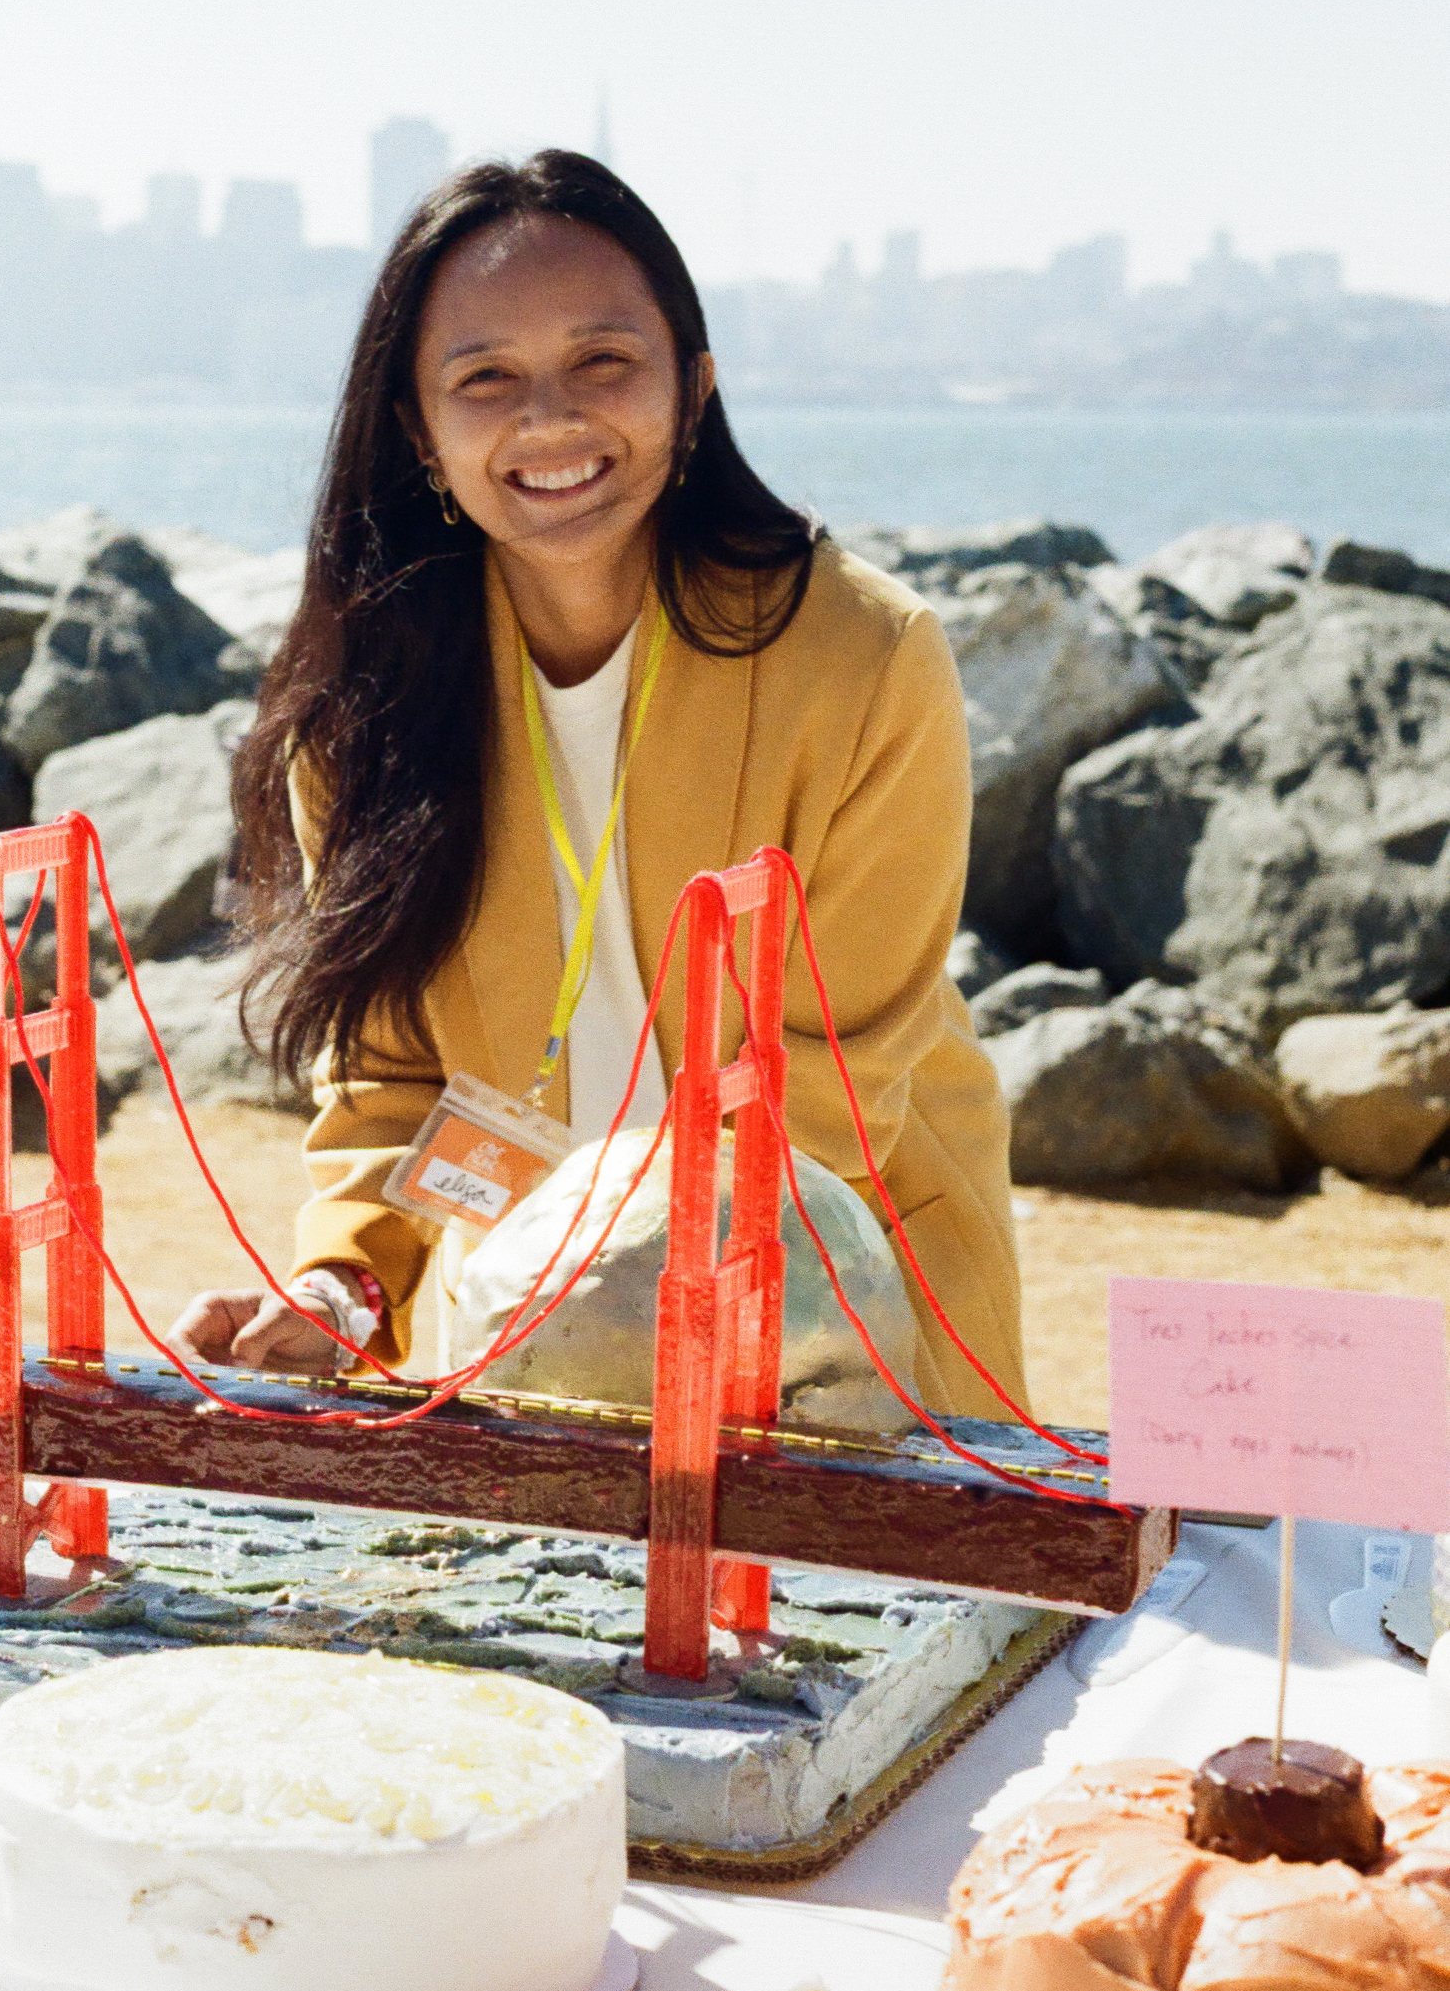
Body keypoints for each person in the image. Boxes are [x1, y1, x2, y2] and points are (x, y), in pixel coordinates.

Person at [170, 150, 1026, 1425]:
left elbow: (824, 1091)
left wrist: (607, 1313)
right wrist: (339, 1293)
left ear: (694, 388)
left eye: (603, 362)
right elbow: (389, 1091)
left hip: (828, 1324)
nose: (549, 418)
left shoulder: (865, 657)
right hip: (511, 1341)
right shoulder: (365, 711)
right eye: (484, 378)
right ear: (419, 430)